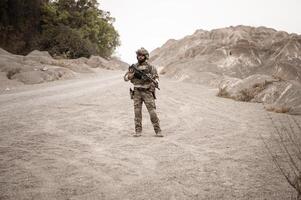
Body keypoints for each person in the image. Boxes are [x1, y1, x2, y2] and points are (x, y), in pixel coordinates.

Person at [124, 47, 163, 137]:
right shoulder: (133, 67)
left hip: (147, 91)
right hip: (137, 92)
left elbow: (156, 77)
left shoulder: (150, 67)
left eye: (142, 55)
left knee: (152, 112)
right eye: (138, 55)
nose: (140, 57)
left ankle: (158, 131)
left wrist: (155, 81)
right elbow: (125, 78)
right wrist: (131, 75)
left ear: (146, 56)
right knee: (137, 112)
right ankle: (138, 131)